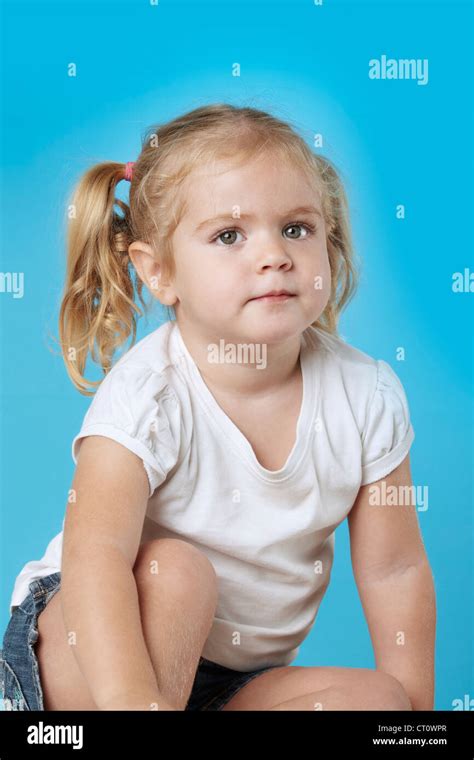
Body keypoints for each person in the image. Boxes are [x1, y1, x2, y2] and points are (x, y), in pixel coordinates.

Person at [0, 103, 435, 712]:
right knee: (176, 573)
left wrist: (416, 720)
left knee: (376, 702)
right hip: (92, 653)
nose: (275, 255)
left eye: (297, 228)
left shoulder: (367, 396)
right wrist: (132, 700)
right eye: (230, 236)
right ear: (159, 272)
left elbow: (395, 570)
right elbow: (94, 557)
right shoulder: (150, 396)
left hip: (231, 681)